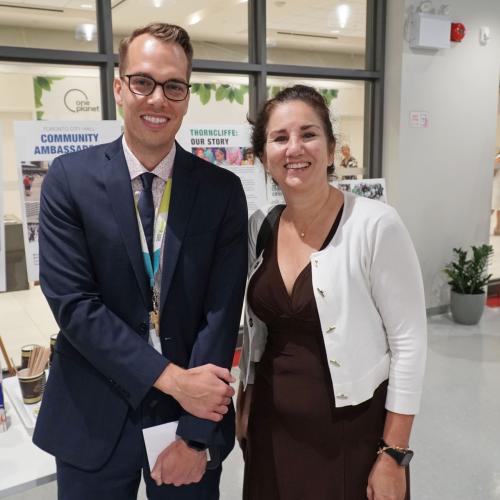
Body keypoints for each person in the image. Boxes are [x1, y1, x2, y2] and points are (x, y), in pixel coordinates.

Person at [33, 23, 248, 500]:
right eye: (143, 81)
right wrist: (173, 380)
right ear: (119, 87)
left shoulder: (220, 191)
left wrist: (196, 430)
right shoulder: (69, 180)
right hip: (93, 410)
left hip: (187, 421)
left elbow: (221, 315)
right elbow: (74, 306)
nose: (158, 99)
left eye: (174, 86)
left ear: (187, 96)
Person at [237, 85, 427, 500]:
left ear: (330, 147)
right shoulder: (261, 227)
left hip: (350, 435)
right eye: (279, 138)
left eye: (308, 134)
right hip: (272, 430)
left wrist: (394, 454)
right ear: (264, 156)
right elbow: (259, 334)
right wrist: (246, 399)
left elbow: (409, 343)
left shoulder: (375, 225)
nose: (294, 148)